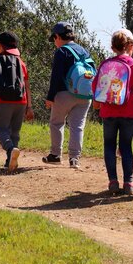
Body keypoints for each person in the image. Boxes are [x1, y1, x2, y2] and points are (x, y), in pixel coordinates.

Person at [91, 29, 133, 195]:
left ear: (113, 48)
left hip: (108, 112)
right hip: (128, 113)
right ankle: (129, 183)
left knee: (109, 145)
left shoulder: (105, 64)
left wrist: (96, 102)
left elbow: (95, 85)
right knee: (126, 146)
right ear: (130, 46)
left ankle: (112, 182)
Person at [43, 22, 95, 168]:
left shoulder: (61, 51)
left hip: (64, 94)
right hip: (85, 95)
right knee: (77, 126)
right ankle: (74, 158)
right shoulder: (84, 51)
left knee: (57, 123)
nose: (54, 42)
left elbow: (56, 76)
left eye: (54, 38)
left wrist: (50, 97)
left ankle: (55, 154)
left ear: (58, 36)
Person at [0, 31, 34, 171]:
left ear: (0, 46)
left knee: (1, 129)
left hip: (3, 99)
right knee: (15, 132)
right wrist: (30, 106)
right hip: (22, 100)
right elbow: (26, 85)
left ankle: (10, 149)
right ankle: (10, 162)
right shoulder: (21, 62)